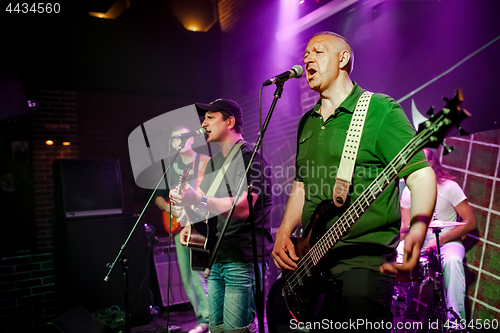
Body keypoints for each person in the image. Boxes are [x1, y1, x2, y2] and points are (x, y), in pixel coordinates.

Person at [271, 31, 437, 330]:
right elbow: (302, 185)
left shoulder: (379, 110)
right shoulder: (306, 122)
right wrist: (285, 231)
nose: (307, 58)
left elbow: (419, 173)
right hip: (312, 260)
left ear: (343, 58)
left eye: (318, 52)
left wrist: (418, 228)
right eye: (305, 53)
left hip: (364, 258)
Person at [170, 98, 274, 333]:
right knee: (217, 329)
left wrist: (197, 199)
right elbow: (207, 209)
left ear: (229, 121)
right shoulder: (214, 163)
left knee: (237, 330)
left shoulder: (251, 157)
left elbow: (243, 208)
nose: (204, 123)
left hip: (243, 257)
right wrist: (191, 220)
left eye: (210, 117)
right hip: (218, 257)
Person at [400, 148, 476, 321]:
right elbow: (406, 226)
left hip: (448, 241)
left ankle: (455, 322)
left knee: (452, 260)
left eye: (422, 161)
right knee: (398, 251)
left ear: (432, 163)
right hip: (421, 241)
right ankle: (400, 312)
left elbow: (470, 222)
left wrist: (441, 239)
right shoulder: (407, 191)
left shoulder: (449, 187)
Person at [154, 126, 210, 333]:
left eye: (183, 137)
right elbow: (158, 198)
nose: (180, 141)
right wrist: (173, 210)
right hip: (179, 226)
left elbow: (208, 192)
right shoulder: (169, 167)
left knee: (200, 273)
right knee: (186, 275)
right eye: (175, 138)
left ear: (192, 140)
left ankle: (212, 318)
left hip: (199, 224)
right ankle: (202, 318)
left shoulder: (204, 162)